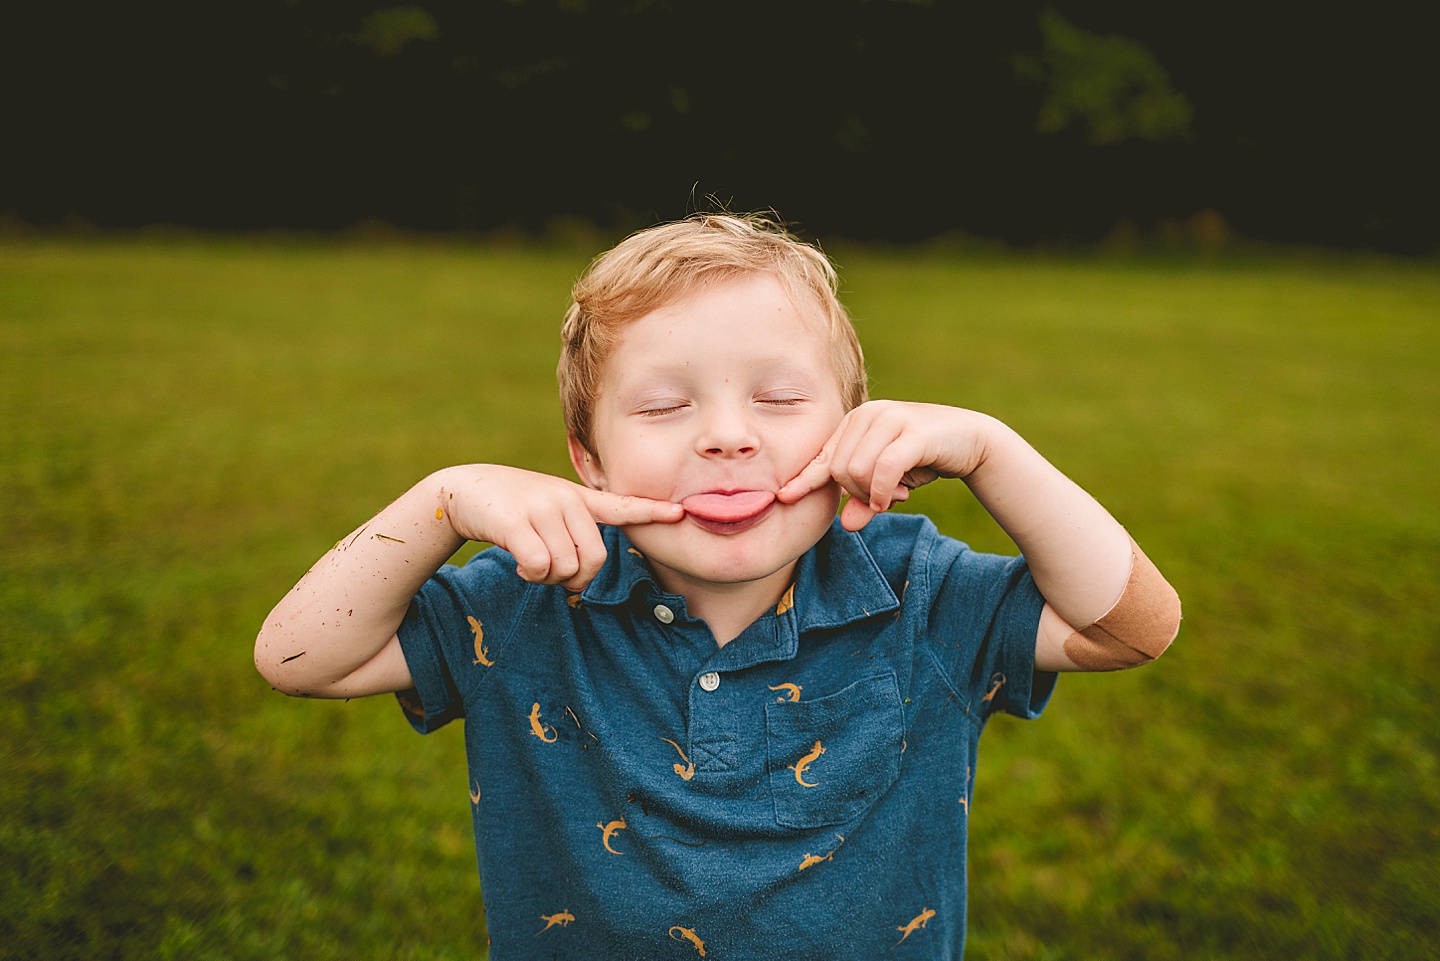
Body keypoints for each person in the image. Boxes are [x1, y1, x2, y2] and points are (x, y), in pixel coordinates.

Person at [255, 212, 1181, 959]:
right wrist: (441, 500)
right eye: (664, 406)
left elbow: (1134, 626)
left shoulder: (923, 593)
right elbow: (299, 656)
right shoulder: (528, 598)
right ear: (588, 458)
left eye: (778, 399)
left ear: (856, 429)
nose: (728, 436)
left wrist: (993, 450)